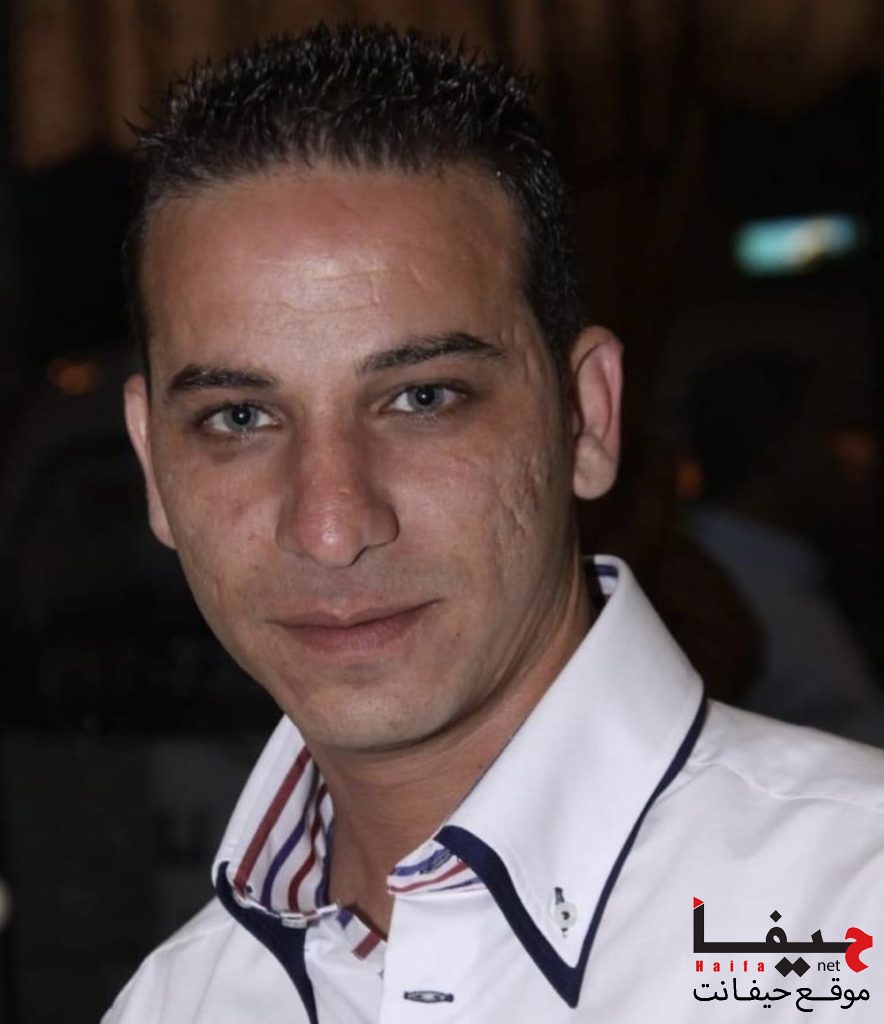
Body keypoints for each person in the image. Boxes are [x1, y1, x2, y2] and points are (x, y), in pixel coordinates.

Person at [106, 24, 884, 1023]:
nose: (332, 526)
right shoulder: (175, 1002)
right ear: (153, 463)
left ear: (586, 417)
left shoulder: (850, 909)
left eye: (422, 398)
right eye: (239, 418)